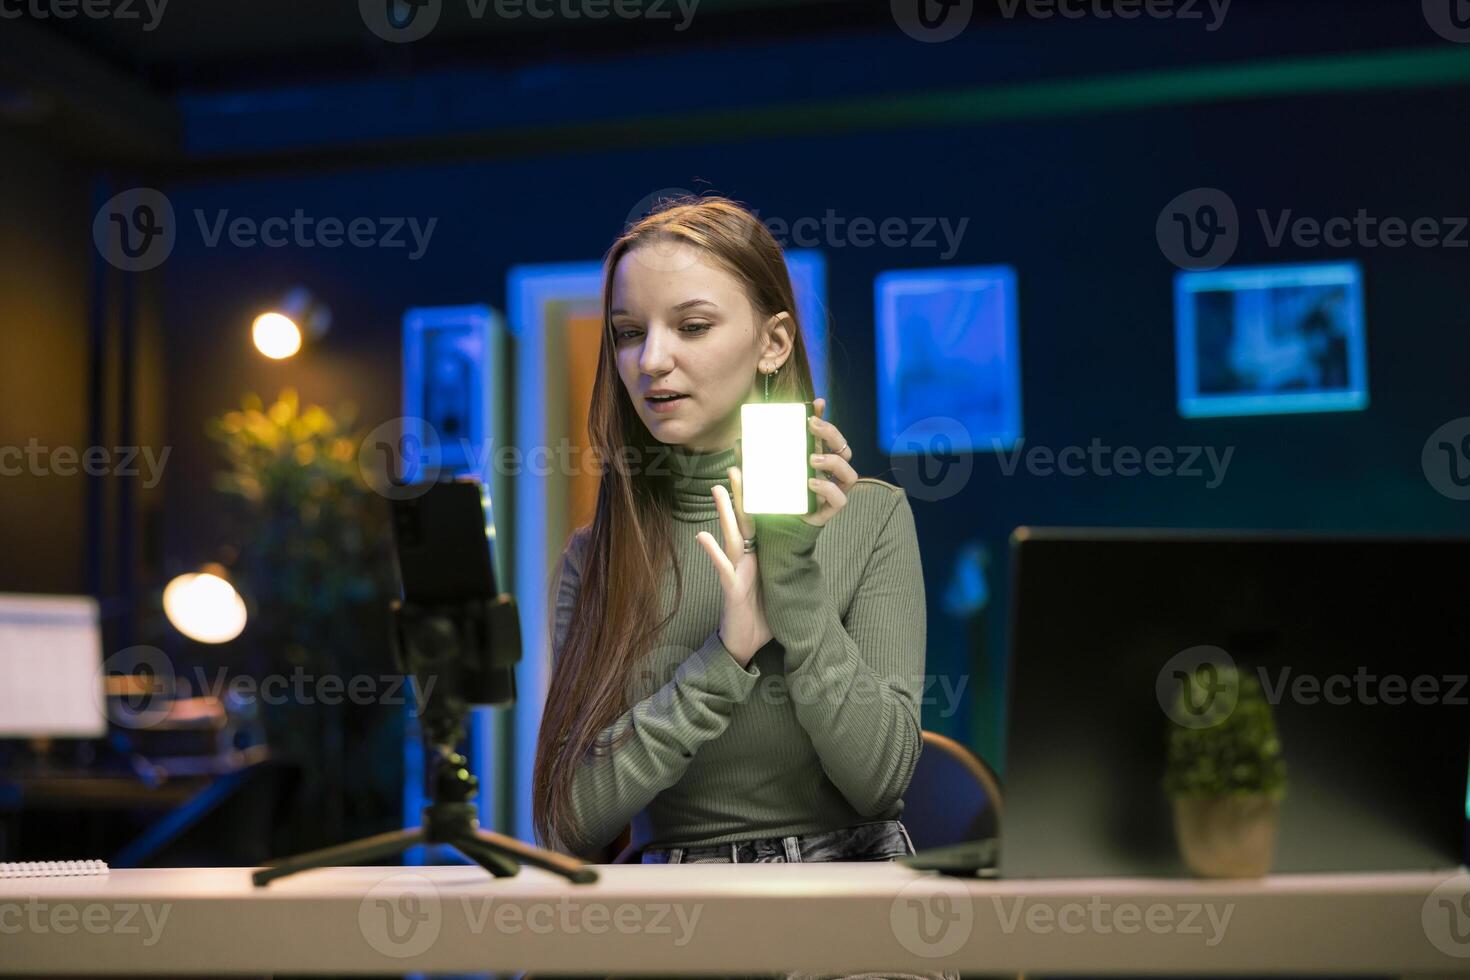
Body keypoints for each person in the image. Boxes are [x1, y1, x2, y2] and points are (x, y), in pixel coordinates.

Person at [530, 194, 954, 980]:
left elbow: (880, 779)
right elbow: (568, 819)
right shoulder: (597, 556)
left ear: (773, 341)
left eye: (691, 327)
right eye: (628, 333)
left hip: (849, 892)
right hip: (672, 913)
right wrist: (724, 654)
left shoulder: (871, 519)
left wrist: (791, 578)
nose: (650, 360)